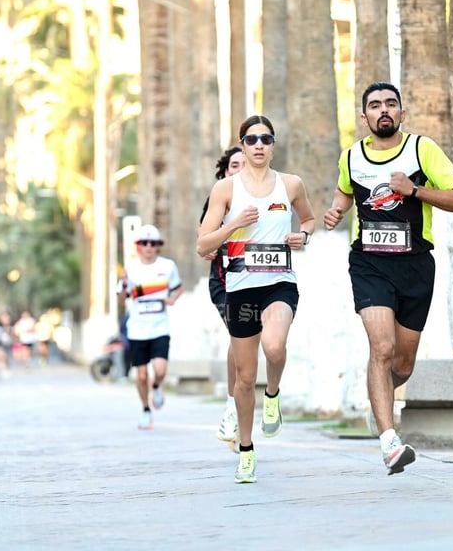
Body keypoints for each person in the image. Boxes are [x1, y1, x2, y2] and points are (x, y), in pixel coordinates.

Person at [323, 81, 453, 476]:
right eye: (375, 105)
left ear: (402, 113)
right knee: (382, 348)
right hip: (369, 263)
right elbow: (344, 193)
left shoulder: (423, 149)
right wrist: (336, 211)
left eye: (391, 104)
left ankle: (381, 401)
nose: (383, 110)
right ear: (365, 116)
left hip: (415, 265)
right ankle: (389, 441)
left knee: (401, 365)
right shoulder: (350, 156)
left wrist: (415, 190)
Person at [198, 115, 316, 483]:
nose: (259, 145)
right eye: (251, 140)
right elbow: (203, 243)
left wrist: (304, 237)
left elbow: (309, 220)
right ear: (242, 145)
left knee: (275, 346)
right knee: (244, 378)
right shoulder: (226, 190)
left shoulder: (291, 184)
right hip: (241, 287)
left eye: (266, 138)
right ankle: (246, 450)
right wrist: (234, 223)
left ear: (274, 144)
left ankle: (275, 393)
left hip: (279, 281)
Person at [199, 145, 246, 450]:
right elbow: (202, 241)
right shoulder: (219, 199)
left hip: (261, 281)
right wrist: (213, 245)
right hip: (224, 282)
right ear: (225, 172)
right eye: (234, 166)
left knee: (254, 345)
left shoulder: (269, 195)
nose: (239, 170)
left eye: (244, 164)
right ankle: (232, 407)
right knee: (237, 336)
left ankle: (241, 407)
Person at [118, 224, 183, 430]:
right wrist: (122, 284)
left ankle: (157, 387)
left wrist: (173, 298)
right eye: (144, 243)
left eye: (152, 243)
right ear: (138, 246)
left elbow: (178, 287)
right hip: (137, 328)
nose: (148, 247)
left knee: (160, 369)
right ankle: (146, 410)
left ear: (158, 247)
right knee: (142, 374)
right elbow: (122, 299)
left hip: (160, 326)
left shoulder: (168, 266)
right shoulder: (130, 269)